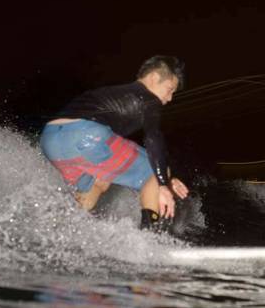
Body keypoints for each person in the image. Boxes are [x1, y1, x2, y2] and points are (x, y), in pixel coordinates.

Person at [39, 55, 189, 231]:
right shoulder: (148, 98)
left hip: (51, 140)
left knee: (99, 181)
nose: (170, 98)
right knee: (153, 172)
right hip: (85, 134)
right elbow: (153, 138)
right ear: (154, 78)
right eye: (170, 89)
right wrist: (163, 182)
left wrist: (165, 179)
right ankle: (150, 237)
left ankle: (61, 232)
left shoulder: (111, 93)